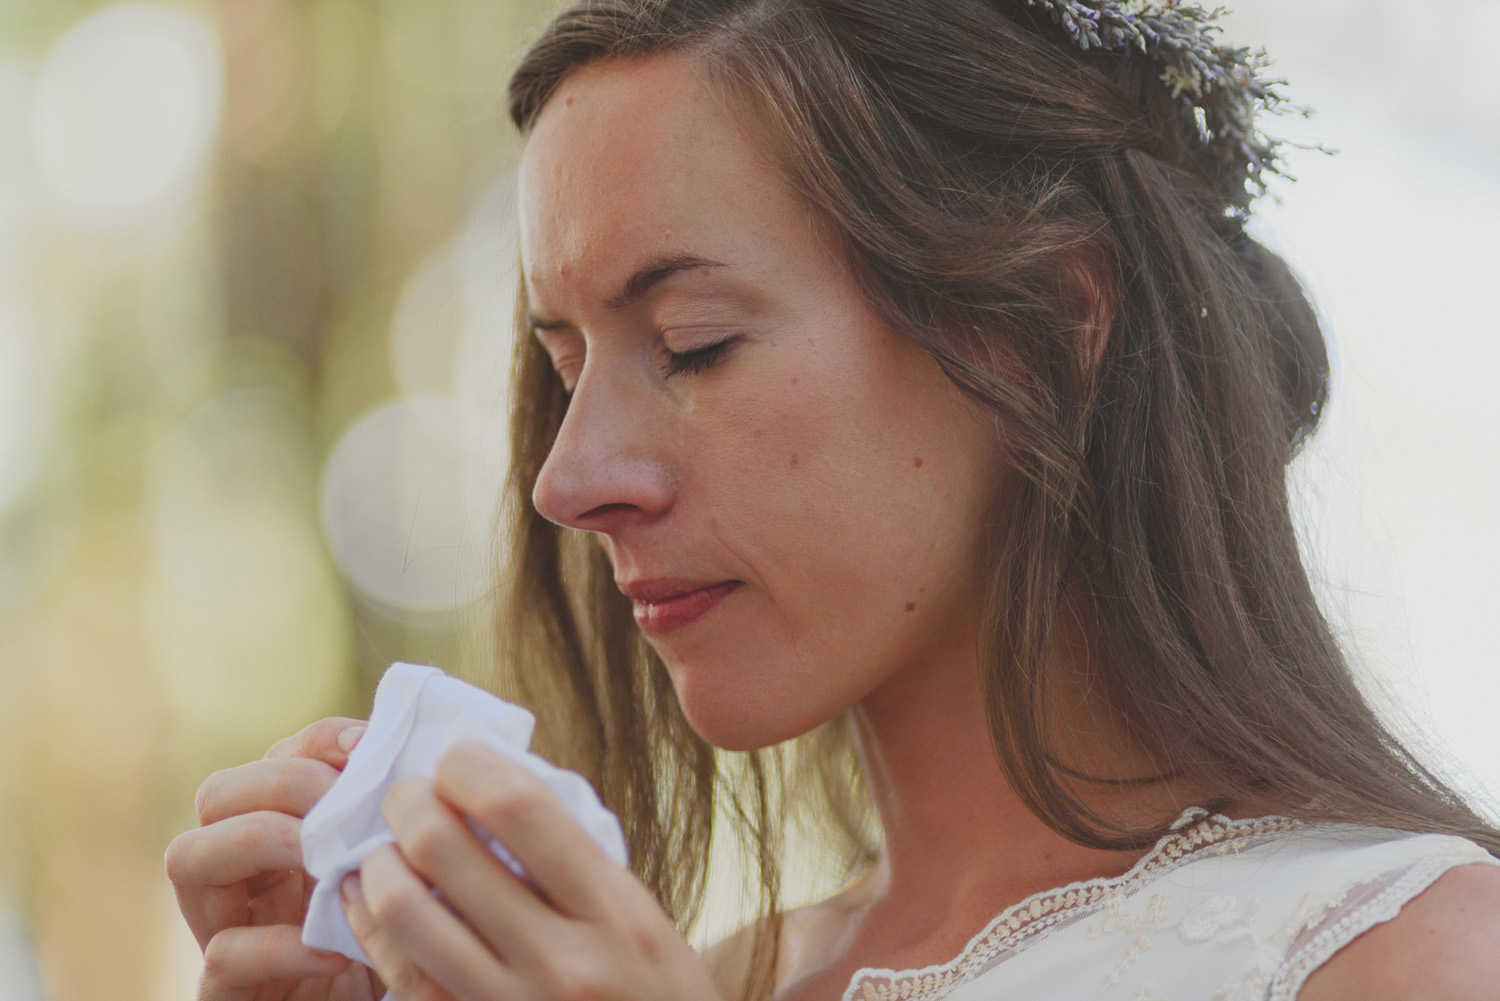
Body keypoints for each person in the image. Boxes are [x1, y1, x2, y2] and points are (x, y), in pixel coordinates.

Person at [165, 1, 1500, 999]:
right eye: (564, 371)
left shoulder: (1409, 953)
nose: (570, 482)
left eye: (692, 343)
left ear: (1045, 320)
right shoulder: (703, 974)